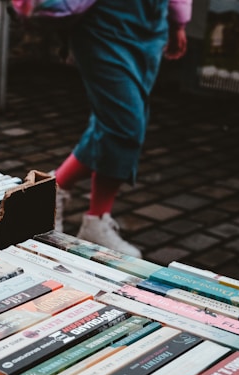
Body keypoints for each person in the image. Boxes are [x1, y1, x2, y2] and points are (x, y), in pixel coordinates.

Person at [53, 0, 192, 258]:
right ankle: (62, 196)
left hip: (151, 24)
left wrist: (177, 19)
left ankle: (88, 213)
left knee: (112, 121)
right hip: (104, 20)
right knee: (125, 125)